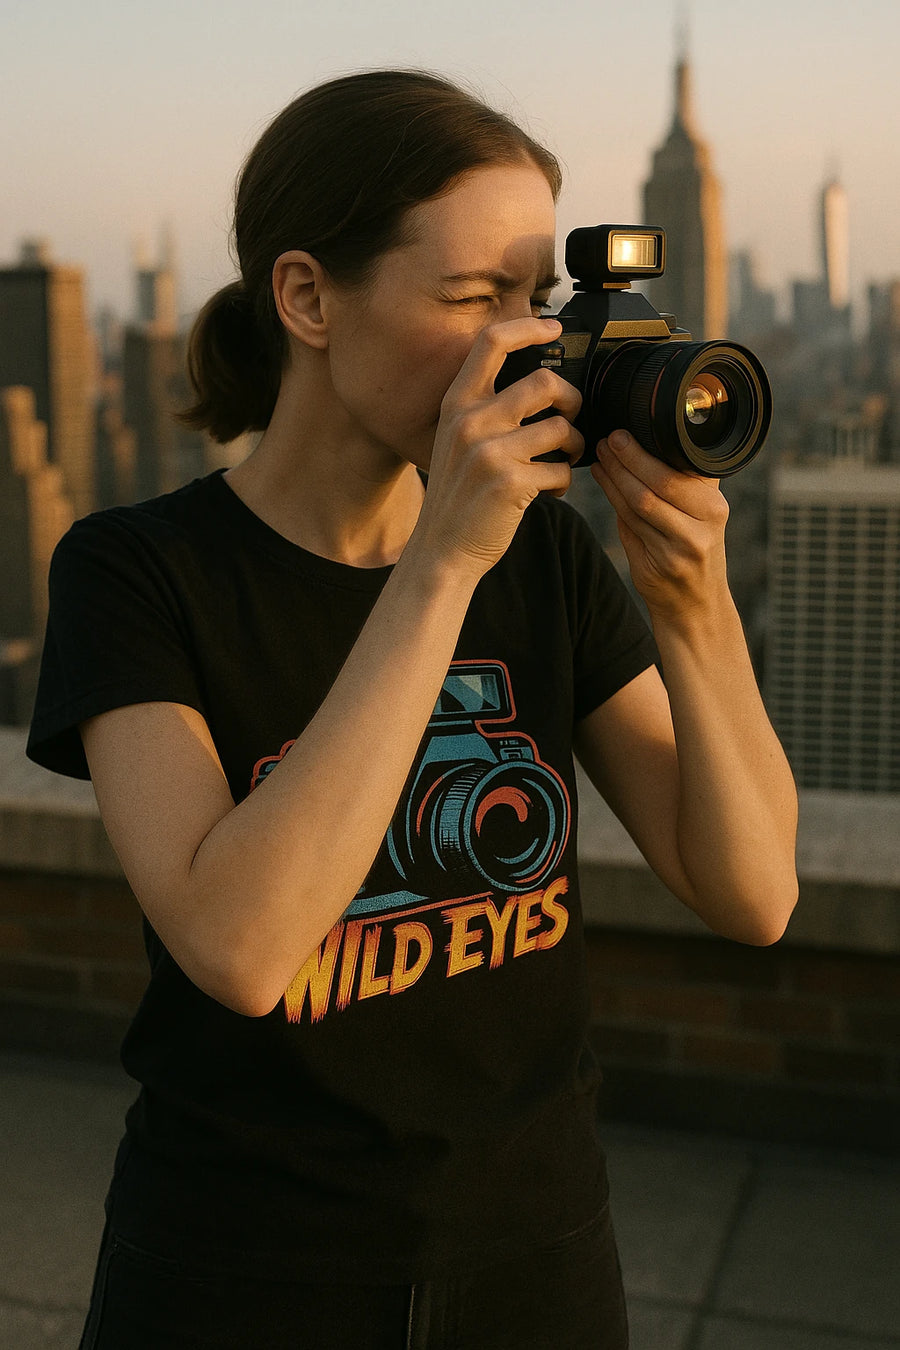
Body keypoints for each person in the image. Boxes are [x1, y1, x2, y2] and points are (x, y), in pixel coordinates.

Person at [27, 69, 798, 1350]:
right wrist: (440, 561)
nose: (524, 340)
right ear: (308, 297)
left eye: (536, 300)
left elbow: (755, 890)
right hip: (240, 1274)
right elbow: (240, 948)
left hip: (536, 1258)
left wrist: (692, 595)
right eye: (471, 297)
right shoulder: (139, 572)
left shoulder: (543, 560)